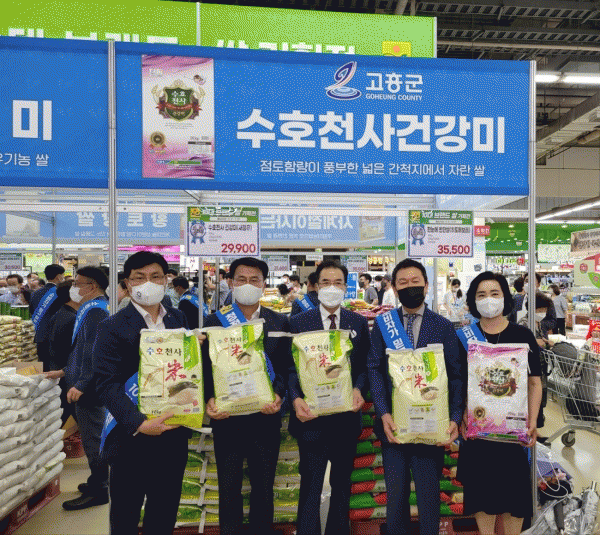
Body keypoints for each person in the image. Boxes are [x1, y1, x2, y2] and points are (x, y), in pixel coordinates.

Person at [93, 251, 190, 535]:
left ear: (166, 280)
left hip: (172, 432)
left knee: (164, 511)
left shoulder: (178, 318)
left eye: (156, 276)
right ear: (127, 284)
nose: (148, 283)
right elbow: (105, 383)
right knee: (125, 514)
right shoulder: (111, 326)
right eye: (139, 277)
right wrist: (139, 423)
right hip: (130, 437)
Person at [368, 258, 464, 535]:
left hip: (431, 426)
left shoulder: (443, 326)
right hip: (394, 426)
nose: (410, 287)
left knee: (429, 495)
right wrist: (383, 412)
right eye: (403, 283)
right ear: (394, 289)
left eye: (415, 282)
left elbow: (456, 375)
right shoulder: (384, 324)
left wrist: (455, 417)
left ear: (426, 286)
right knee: (395, 495)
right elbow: (374, 368)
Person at [201, 257, 292, 535]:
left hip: (265, 417)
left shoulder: (279, 322)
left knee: (263, 486)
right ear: (231, 282)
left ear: (264, 285)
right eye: (241, 279)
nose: (248, 285)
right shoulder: (214, 321)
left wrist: (279, 395)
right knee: (228, 486)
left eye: (255, 280)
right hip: (227, 417)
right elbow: (204, 368)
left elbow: (287, 367)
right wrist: (209, 398)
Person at [457, 271, 542, 535]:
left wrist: (532, 421)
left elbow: (534, 382)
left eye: (495, 293)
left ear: (505, 297)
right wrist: (461, 414)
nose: (489, 299)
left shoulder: (523, 335)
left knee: (514, 498)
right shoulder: (464, 337)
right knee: (482, 496)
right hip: (479, 433)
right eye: (481, 294)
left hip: (513, 434)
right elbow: (458, 382)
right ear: (473, 301)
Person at [289, 260, 370, 535]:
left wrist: (358, 388)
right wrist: (295, 398)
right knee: (310, 484)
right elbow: (290, 367)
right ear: (315, 286)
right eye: (326, 282)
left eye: (338, 283)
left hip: (346, 418)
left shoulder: (358, 322)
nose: (332, 288)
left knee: (342, 485)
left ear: (346, 287)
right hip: (311, 418)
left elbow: (364, 366)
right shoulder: (299, 322)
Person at [45, 266, 110, 510]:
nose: (73, 288)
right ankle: (96, 480)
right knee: (93, 436)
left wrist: (81, 383)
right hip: (83, 382)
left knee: (94, 440)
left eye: (77, 283)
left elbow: (95, 352)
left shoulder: (96, 311)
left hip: (89, 389)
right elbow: (80, 351)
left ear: (91, 286)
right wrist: (64, 371)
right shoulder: (90, 309)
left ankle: (100, 489)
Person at [46, 281, 79, 425]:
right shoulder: (70, 318)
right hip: (66, 374)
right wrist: (66, 371)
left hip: (63, 371)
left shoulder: (63, 314)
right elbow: (64, 350)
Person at [519, 291, 553, 431]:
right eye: (540, 310)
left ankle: (537, 428)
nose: (542, 312)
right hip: (529, 371)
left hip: (541, 368)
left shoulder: (539, 323)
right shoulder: (524, 323)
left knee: (540, 399)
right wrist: (535, 343)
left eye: (544, 309)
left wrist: (545, 342)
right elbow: (520, 345)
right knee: (531, 400)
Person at [30, 264, 66, 371]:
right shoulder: (62, 292)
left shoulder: (35, 293)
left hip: (40, 336)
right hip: (57, 337)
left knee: (43, 369)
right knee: (57, 369)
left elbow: (31, 311)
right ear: (59, 277)